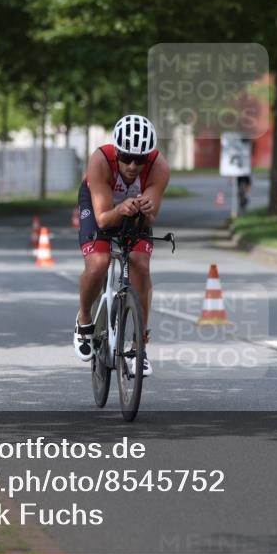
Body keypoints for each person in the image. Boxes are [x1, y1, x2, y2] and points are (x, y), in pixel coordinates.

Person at [73, 114, 170, 376]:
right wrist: (120, 210)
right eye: (126, 157)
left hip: (132, 211)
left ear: (148, 157)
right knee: (99, 263)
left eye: (140, 159)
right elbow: (104, 220)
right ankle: (84, 320)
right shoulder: (101, 160)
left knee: (140, 264)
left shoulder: (158, 167)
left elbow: (150, 217)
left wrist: (145, 211)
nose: (131, 165)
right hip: (100, 208)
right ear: (117, 151)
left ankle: (140, 347)